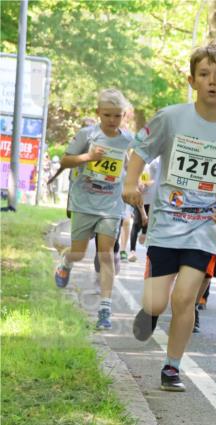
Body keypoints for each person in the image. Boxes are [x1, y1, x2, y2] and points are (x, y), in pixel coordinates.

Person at [123, 41, 216, 391]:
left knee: (184, 297)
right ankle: (151, 311)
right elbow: (140, 149)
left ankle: (171, 367)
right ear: (192, 80)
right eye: (204, 74)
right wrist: (131, 181)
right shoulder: (172, 118)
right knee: (157, 300)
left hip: (206, 228)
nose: (211, 81)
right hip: (167, 223)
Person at [54, 88, 133, 330]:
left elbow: (131, 164)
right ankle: (66, 262)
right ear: (98, 113)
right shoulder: (87, 135)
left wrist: (133, 182)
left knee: (106, 254)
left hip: (111, 205)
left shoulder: (128, 139)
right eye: (107, 115)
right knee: (79, 252)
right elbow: (65, 160)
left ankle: (105, 310)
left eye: (117, 116)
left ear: (124, 115)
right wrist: (87, 157)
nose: (112, 120)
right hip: (83, 203)